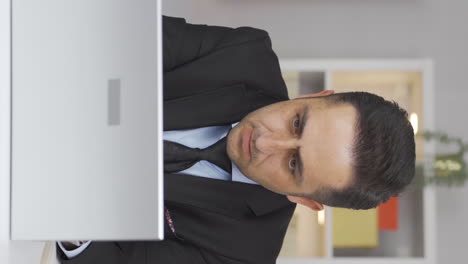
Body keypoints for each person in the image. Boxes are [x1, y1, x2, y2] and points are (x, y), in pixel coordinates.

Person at [55, 15, 415, 264]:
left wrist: (73, 218)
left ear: (304, 201)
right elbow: (112, 38)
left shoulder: (243, 254)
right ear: (315, 97)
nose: (265, 143)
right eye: (295, 123)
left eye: (293, 165)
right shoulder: (243, 53)